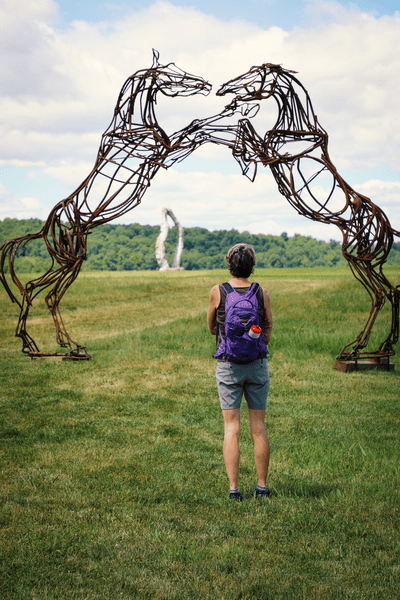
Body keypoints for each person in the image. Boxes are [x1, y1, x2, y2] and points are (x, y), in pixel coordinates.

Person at [207, 243, 273, 501]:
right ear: (252, 266)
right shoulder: (261, 292)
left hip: (228, 366)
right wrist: (257, 343)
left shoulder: (218, 291)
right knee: (258, 427)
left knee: (231, 428)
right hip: (257, 365)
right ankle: (262, 487)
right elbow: (268, 325)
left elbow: (212, 328)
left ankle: (234, 489)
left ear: (229, 264)